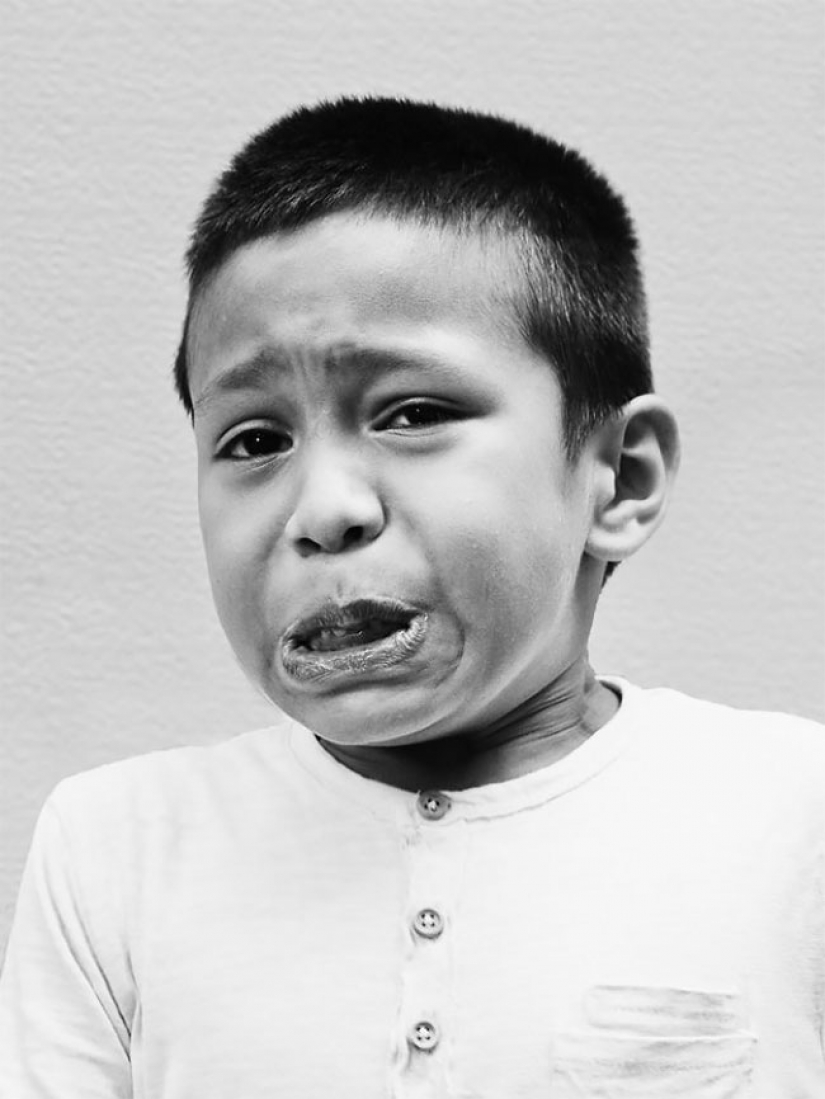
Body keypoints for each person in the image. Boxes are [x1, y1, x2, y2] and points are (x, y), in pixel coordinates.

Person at [0, 96, 822, 1098]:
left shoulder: (793, 816)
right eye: (254, 440)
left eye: (414, 412)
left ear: (620, 479)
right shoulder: (117, 846)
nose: (326, 509)